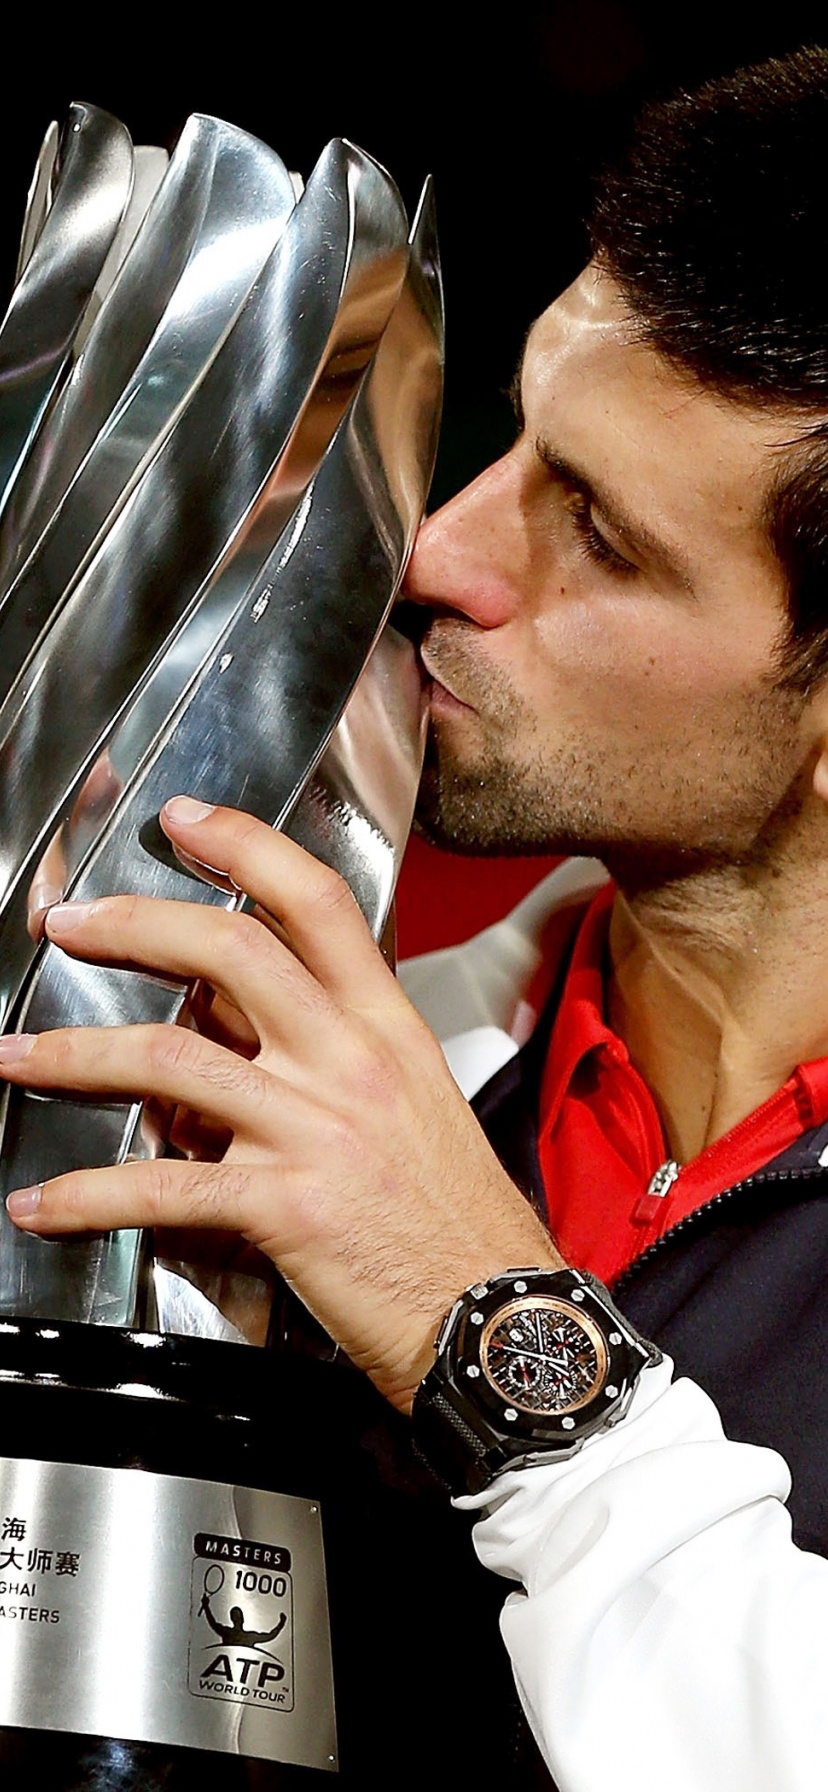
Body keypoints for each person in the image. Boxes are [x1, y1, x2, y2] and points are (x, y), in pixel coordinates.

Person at [2, 43, 828, 1790]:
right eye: (519, 438)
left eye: (595, 531)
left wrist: (495, 1336)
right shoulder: (321, 1086)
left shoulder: (400, 1183)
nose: (445, 551)